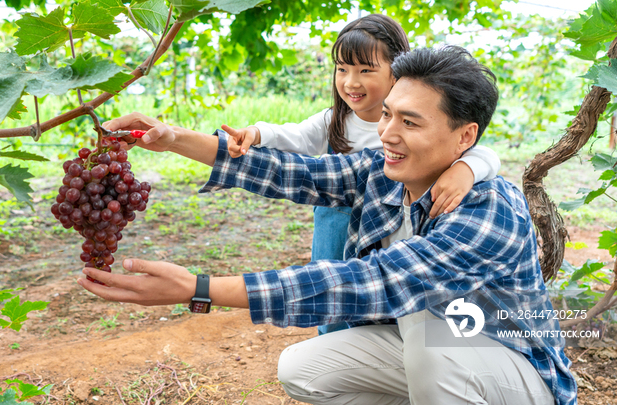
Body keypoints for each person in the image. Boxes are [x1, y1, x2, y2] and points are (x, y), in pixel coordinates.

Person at [79, 46, 576, 405]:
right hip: (436, 361)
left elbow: (375, 282)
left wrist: (199, 288)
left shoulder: (491, 210)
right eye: (386, 116)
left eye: (410, 122)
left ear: (465, 136)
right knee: (303, 370)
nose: (386, 133)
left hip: (515, 371)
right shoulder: (381, 173)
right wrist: (171, 139)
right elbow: (290, 172)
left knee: (428, 331)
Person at [223, 15, 500, 334]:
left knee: (383, 294)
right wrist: (256, 133)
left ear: (398, 71)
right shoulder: (334, 120)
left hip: (386, 223)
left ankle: (380, 351)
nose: (351, 82)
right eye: (342, 69)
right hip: (337, 222)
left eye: (365, 70)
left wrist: (465, 170)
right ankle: (336, 349)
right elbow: (296, 137)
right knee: (329, 294)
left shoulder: (420, 122)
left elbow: (482, 151)